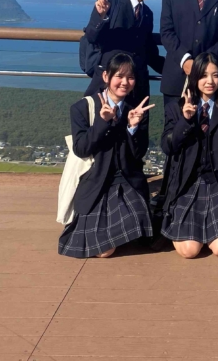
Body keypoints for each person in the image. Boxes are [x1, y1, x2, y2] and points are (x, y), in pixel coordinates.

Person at [59, 53, 156, 259]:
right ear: (106, 77)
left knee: (139, 223)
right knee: (104, 251)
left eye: (130, 77)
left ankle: (120, 228)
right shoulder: (82, 108)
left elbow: (137, 155)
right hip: (96, 183)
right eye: (119, 76)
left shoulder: (135, 110)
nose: (125, 82)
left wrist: (132, 127)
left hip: (126, 181)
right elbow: (81, 149)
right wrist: (102, 122)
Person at [160, 52, 218, 259]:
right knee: (189, 251)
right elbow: (168, 146)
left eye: (215, 75)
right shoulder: (177, 107)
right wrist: (186, 121)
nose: (210, 81)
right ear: (194, 77)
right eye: (204, 75)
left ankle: (210, 229)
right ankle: (195, 228)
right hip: (187, 183)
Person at [83, 0, 166, 103]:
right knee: (101, 115)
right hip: (110, 79)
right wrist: (101, 17)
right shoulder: (110, 2)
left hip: (137, 84)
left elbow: (148, 51)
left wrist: (179, 68)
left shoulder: (147, 13)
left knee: (136, 117)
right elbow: (91, 37)